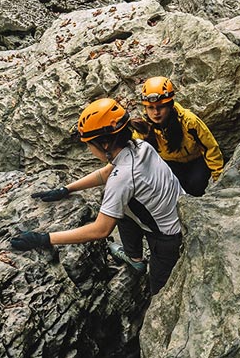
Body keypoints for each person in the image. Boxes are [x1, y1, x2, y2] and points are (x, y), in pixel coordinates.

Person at [10, 97, 185, 296]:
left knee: (160, 291)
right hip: (177, 212)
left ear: (104, 144)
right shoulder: (139, 146)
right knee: (122, 210)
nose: (89, 149)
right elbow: (105, 173)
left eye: (89, 144)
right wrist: (66, 189)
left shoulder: (124, 178)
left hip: (168, 238)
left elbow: (101, 230)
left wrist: (44, 238)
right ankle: (135, 260)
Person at [132, 76, 224, 197]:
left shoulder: (189, 121)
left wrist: (218, 178)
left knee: (195, 185)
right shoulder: (143, 129)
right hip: (171, 164)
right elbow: (132, 155)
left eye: (161, 107)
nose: (156, 113)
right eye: (151, 107)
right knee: (174, 189)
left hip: (197, 160)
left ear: (170, 105)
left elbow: (210, 148)